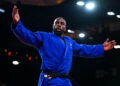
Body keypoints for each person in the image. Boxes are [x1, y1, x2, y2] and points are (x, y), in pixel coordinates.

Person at [11, 5, 116, 86]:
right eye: (57, 22)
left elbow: (84, 49)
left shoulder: (69, 42)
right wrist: (17, 23)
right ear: (53, 25)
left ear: (65, 28)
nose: (59, 25)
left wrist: (101, 47)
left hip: (65, 81)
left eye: (62, 23)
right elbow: (28, 36)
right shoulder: (45, 37)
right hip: (50, 79)